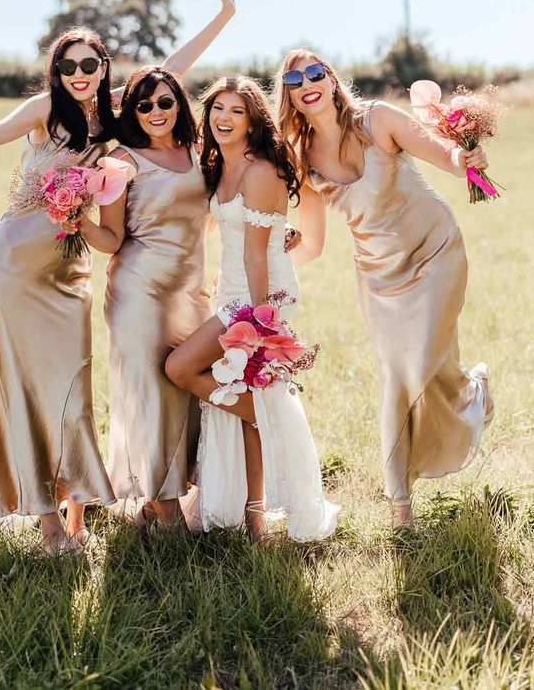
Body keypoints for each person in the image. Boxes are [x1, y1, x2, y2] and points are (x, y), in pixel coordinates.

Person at [0, 0, 236, 554]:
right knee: (28, 386)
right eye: (68, 66)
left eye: (89, 65)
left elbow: (171, 69)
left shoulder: (117, 113)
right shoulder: (45, 108)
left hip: (69, 269)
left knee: (71, 390)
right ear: (57, 71)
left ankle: (76, 510)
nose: (79, 75)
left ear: (103, 69)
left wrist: (223, 15)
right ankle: (50, 526)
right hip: (16, 263)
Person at [275, 50, 493, 528]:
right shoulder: (302, 158)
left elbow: (445, 156)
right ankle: (400, 506)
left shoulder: (378, 119)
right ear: (289, 94)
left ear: (331, 81)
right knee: (397, 377)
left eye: (315, 72)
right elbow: (311, 244)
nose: (307, 82)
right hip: (378, 276)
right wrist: (264, 259)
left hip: (434, 250)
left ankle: (475, 393)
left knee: (422, 363)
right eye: (294, 78)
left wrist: (465, 155)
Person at [165, 77, 338, 542]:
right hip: (233, 292)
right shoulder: (217, 164)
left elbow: (257, 253)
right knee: (241, 403)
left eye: (236, 111)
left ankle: (264, 415)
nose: (224, 118)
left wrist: (260, 324)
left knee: (181, 367)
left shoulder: (261, 171)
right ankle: (254, 518)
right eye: (217, 108)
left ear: (252, 119)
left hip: (257, 298)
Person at [82, 67, 210, 527]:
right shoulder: (120, 161)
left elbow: (208, 217)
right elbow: (112, 238)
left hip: (192, 293)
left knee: (189, 392)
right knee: (150, 392)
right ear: (132, 112)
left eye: (164, 102)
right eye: (144, 105)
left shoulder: (198, 152)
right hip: (139, 292)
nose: (156, 112)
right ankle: (162, 503)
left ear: (179, 103)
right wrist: (73, 215)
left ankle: (176, 493)